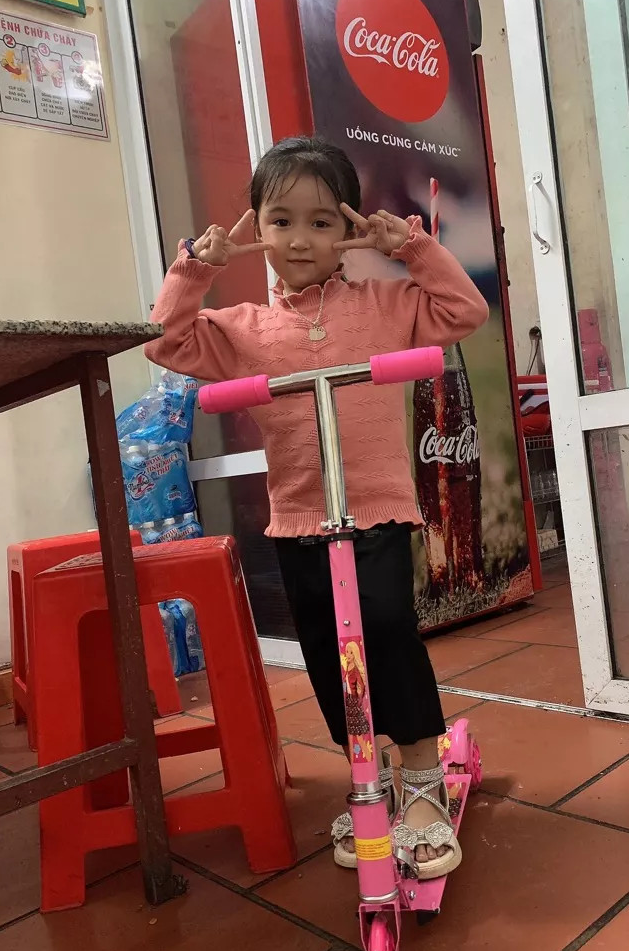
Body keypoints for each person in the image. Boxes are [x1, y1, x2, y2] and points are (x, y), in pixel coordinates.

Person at [144, 136, 489, 879]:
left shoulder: (387, 305)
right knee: (330, 653)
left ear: (350, 229)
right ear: (256, 229)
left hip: (376, 509)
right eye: (280, 221)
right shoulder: (242, 328)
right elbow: (166, 342)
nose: (299, 239)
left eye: (322, 222)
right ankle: (368, 778)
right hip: (299, 517)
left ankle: (421, 777)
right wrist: (196, 268)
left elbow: (465, 310)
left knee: (387, 631)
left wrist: (412, 249)